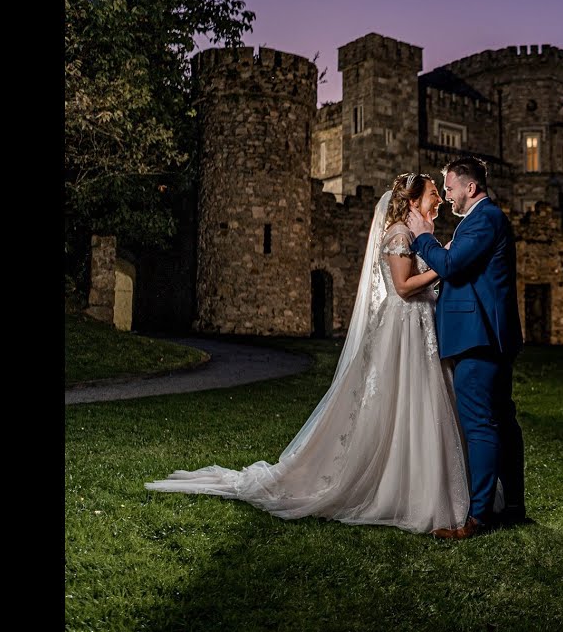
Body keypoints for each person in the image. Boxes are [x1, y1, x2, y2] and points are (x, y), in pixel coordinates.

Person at [144, 173, 470, 534]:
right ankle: (393, 484)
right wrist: (444, 267)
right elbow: (404, 287)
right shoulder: (398, 234)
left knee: (423, 402)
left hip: (420, 327)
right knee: (400, 400)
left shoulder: (418, 233)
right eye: (433, 193)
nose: (439, 198)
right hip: (404, 326)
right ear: (412, 201)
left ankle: (422, 480)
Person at [406, 156, 527, 540]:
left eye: (451, 187)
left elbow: (452, 264)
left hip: (480, 337)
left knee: (481, 425)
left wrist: (420, 234)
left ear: (470, 188)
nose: (447, 195)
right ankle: (511, 507)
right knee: (501, 422)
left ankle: (478, 519)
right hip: (487, 336)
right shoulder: (480, 220)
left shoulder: (484, 219)